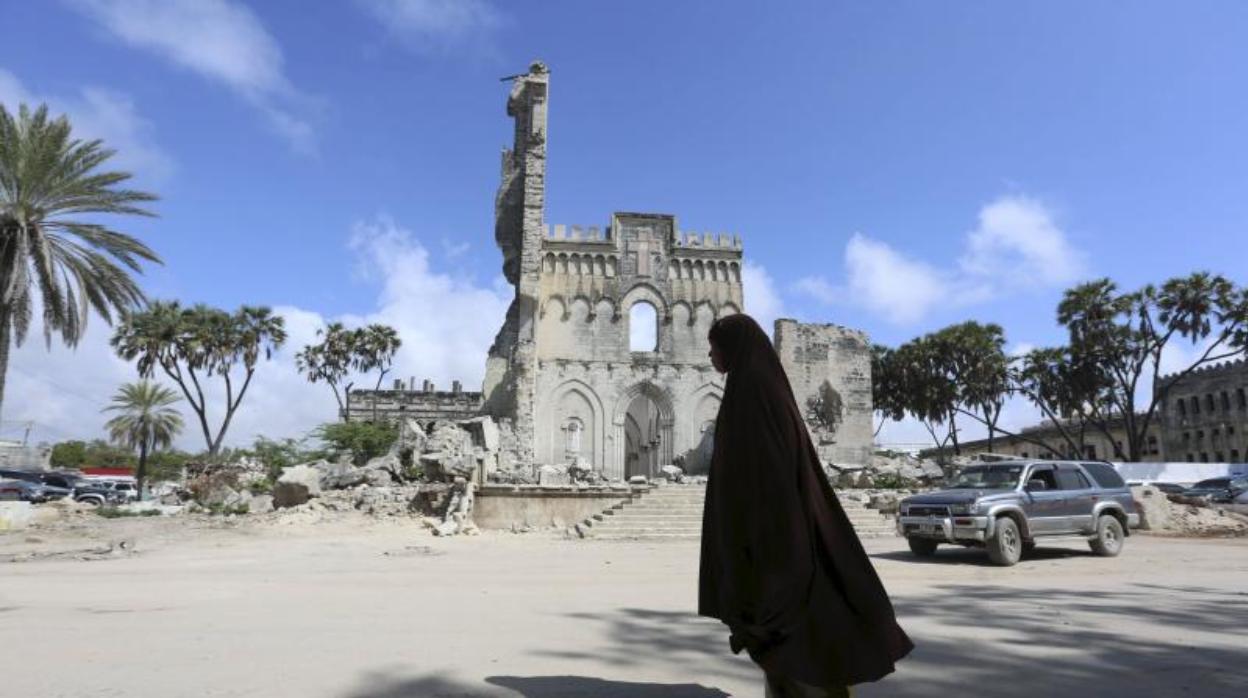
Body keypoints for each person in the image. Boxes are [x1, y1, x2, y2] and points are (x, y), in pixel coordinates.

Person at [698, 313, 913, 697]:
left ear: (734, 346)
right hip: (771, 535)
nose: (710, 353)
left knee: (790, 639)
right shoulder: (754, 386)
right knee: (787, 645)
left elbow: (767, 476)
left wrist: (766, 547)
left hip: (773, 538)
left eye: (714, 345)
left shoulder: (754, 392)